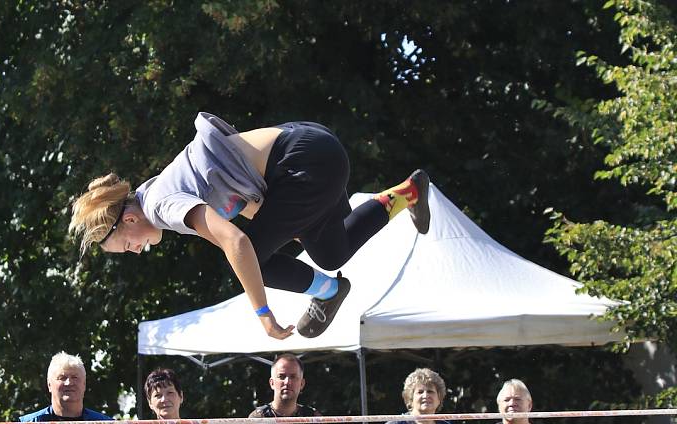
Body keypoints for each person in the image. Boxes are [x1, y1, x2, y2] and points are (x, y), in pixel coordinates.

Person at [69, 113, 431, 340]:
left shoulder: (160, 204)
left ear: (129, 220)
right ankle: (407, 193)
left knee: (248, 263)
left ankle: (328, 292)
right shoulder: (157, 189)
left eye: (126, 246)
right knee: (330, 251)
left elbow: (238, 244)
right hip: (312, 153)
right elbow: (241, 199)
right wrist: (292, 225)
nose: (136, 251)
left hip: (302, 162)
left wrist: (264, 315)